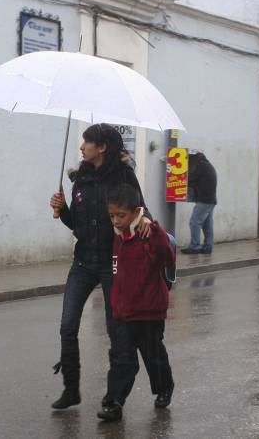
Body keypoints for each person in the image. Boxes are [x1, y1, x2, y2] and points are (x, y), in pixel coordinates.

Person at [48, 124, 151, 410]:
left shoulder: (124, 176)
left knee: (116, 330)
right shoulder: (81, 177)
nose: (82, 147)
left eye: (87, 142)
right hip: (82, 262)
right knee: (67, 326)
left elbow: (140, 212)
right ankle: (71, 389)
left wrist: (144, 222)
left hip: (113, 264)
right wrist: (63, 209)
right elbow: (77, 225)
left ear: (102, 147)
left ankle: (114, 398)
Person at [97, 184, 175, 422]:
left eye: (121, 215)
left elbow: (166, 254)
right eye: (112, 215)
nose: (116, 220)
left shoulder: (147, 234)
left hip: (148, 312)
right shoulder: (116, 237)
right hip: (122, 312)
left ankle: (164, 388)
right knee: (122, 360)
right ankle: (114, 403)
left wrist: (153, 226)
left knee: (154, 356)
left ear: (136, 212)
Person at [181, 152, 217, 254]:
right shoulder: (208, 165)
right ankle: (208, 247)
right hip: (211, 200)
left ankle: (195, 247)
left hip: (204, 201)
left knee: (195, 222)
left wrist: (177, 176)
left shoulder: (201, 166)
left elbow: (190, 178)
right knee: (207, 224)